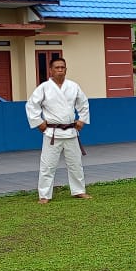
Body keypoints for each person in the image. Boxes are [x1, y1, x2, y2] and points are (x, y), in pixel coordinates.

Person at [25, 56, 91, 204]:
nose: (60, 70)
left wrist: (81, 119)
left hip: (71, 131)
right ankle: (44, 195)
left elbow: (83, 103)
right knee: (47, 165)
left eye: (63, 67)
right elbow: (31, 105)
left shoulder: (73, 86)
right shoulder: (44, 88)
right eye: (57, 67)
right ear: (51, 70)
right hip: (52, 132)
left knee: (75, 164)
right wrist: (39, 122)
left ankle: (79, 191)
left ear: (66, 69)